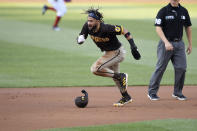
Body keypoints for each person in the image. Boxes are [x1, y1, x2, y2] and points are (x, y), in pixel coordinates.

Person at [77, 8, 141, 106]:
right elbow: (82, 36)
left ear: (97, 21)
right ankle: (126, 96)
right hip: (109, 53)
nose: (89, 23)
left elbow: (124, 30)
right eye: (88, 20)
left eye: (91, 21)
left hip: (117, 52)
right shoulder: (87, 26)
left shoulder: (106, 28)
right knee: (115, 77)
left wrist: (133, 46)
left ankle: (121, 76)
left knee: (95, 69)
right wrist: (80, 39)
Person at [148, 0, 192, 101]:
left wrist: (190, 44)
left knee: (182, 68)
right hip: (165, 44)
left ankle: (177, 92)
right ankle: (152, 92)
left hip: (179, 44)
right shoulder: (163, 11)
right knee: (160, 68)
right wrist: (166, 42)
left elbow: (188, 27)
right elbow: (158, 28)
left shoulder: (184, 11)